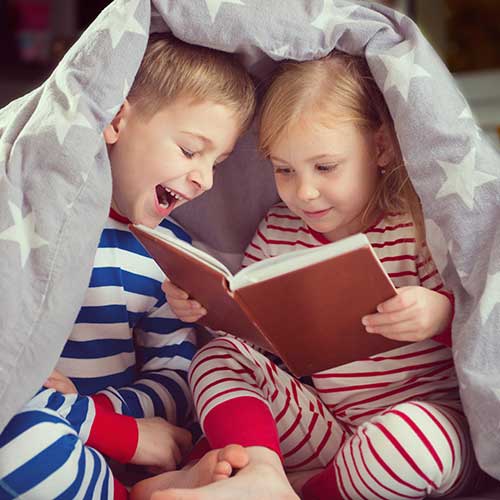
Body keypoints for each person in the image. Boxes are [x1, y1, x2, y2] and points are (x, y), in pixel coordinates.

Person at [144, 51, 482, 500]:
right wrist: (210, 311)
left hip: (421, 426)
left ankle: (300, 492)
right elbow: (256, 337)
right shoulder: (278, 230)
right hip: (324, 426)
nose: (303, 192)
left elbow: (485, 332)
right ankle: (261, 472)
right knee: (218, 355)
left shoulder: (417, 228)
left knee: (413, 446)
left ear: (379, 148)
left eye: (325, 167)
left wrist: (440, 315)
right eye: (284, 170)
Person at [0, 33, 256, 500]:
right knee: (15, 440)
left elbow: (177, 375)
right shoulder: (31, 214)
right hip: (44, 432)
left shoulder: (170, 255)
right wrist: (96, 425)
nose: (206, 178)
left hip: (126, 441)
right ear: (118, 119)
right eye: (190, 150)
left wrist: (104, 415)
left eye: (218, 161)